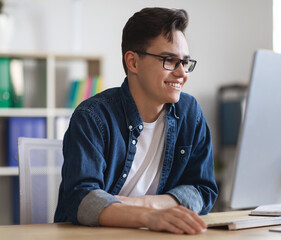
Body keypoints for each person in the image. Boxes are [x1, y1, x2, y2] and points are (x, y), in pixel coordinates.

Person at [54, 7, 218, 235]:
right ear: (133, 62)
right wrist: (150, 216)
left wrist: (149, 204)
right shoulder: (92, 116)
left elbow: (203, 189)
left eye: (185, 62)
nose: (182, 73)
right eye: (170, 60)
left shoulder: (190, 112)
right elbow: (81, 198)